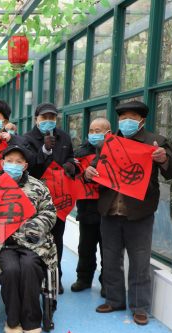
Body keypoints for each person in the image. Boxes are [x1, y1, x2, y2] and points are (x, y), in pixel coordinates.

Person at [84, 101, 172, 325]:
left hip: (139, 213)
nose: (125, 121)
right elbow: (97, 169)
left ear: (142, 121)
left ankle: (140, 306)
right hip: (110, 210)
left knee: (139, 260)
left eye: (131, 117)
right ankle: (114, 299)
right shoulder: (110, 142)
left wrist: (163, 159)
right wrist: (88, 173)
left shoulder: (155, 142)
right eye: (122, 118)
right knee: (110, 258)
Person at [0, 138, 57, 333]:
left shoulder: (38, 187)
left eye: (18, 161)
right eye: (9, 160)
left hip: (32, 243)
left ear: (25, 165)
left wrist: (31, 227)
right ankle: (13, 325)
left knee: (30, 268)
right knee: (11, 270)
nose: (13, 164)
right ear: (2, 163)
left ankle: (32, 327)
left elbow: (50, 213)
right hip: (4, 243)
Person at [23, 103, 75, 293]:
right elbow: (29, 167)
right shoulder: (27, 139)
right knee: (35, 238)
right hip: (36, 199)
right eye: (44, 117)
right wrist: (44, 150)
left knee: (56, 239)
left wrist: (71, 165)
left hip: (59, 198)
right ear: (36, 119)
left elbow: (71, 157)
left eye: (51, 118)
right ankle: (36, 278)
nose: (48, 121)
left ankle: (55, 278)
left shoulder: (64, 137)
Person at [70, 117, 110, 296]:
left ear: (108, 133)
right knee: (85, 247)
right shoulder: (79, 153)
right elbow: (74, 176)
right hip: (86, 208)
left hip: (108, 208)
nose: (94, 134)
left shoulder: (115, 151)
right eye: (91, 131)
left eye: (98, 131)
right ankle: (83, 279)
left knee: (107, 250)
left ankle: (107, 283)